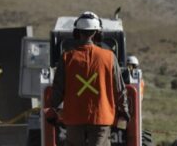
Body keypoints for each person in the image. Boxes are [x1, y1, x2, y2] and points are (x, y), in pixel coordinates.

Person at [46, 11, 130, 146]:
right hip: (101, 118)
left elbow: (58, 90)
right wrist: (124, 111)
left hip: (74, 119)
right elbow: (119, 89)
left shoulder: (67, 57)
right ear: (97, 33)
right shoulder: (109, 57)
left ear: (77, 33)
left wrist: (52, 110)